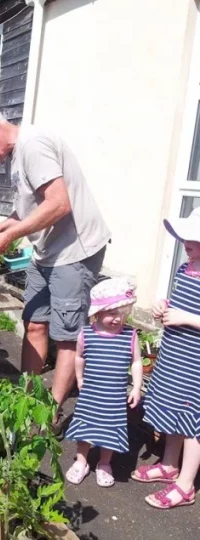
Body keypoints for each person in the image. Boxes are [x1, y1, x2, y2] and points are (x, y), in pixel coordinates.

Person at [0, 106, 111, 433]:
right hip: (46, 251)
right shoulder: (14, 157)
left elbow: (59, 203)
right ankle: (28, 398)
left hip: (74, 250)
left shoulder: (34, 145)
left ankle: (50, 413)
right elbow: (25, 210)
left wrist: (10, 237)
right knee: (34, 324)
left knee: (66, 336)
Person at [132, 207, 200, 509]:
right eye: (186, 238)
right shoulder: (186, 268)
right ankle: (170, 464)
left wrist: (185, 317)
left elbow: (189, 313)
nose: (188, 244)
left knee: (192, 420)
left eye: (195, 240)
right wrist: (164, 306)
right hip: (175, 353)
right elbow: (179, 303)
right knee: (173, 409)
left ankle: (185, 485)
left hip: (195, 362)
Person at [65, 279, 142, 487]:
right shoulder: (87, 333)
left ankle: (105, 463)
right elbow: (79, 357)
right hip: (91, 393)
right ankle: (82, 461)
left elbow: (136, 361)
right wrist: (79, 378)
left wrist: (136, 386)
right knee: (85, 428)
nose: (117, 319)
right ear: (97, 313)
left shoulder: (130, 335)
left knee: (111, 429)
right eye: (112, 313)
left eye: (122, 314)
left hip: (114, 397)